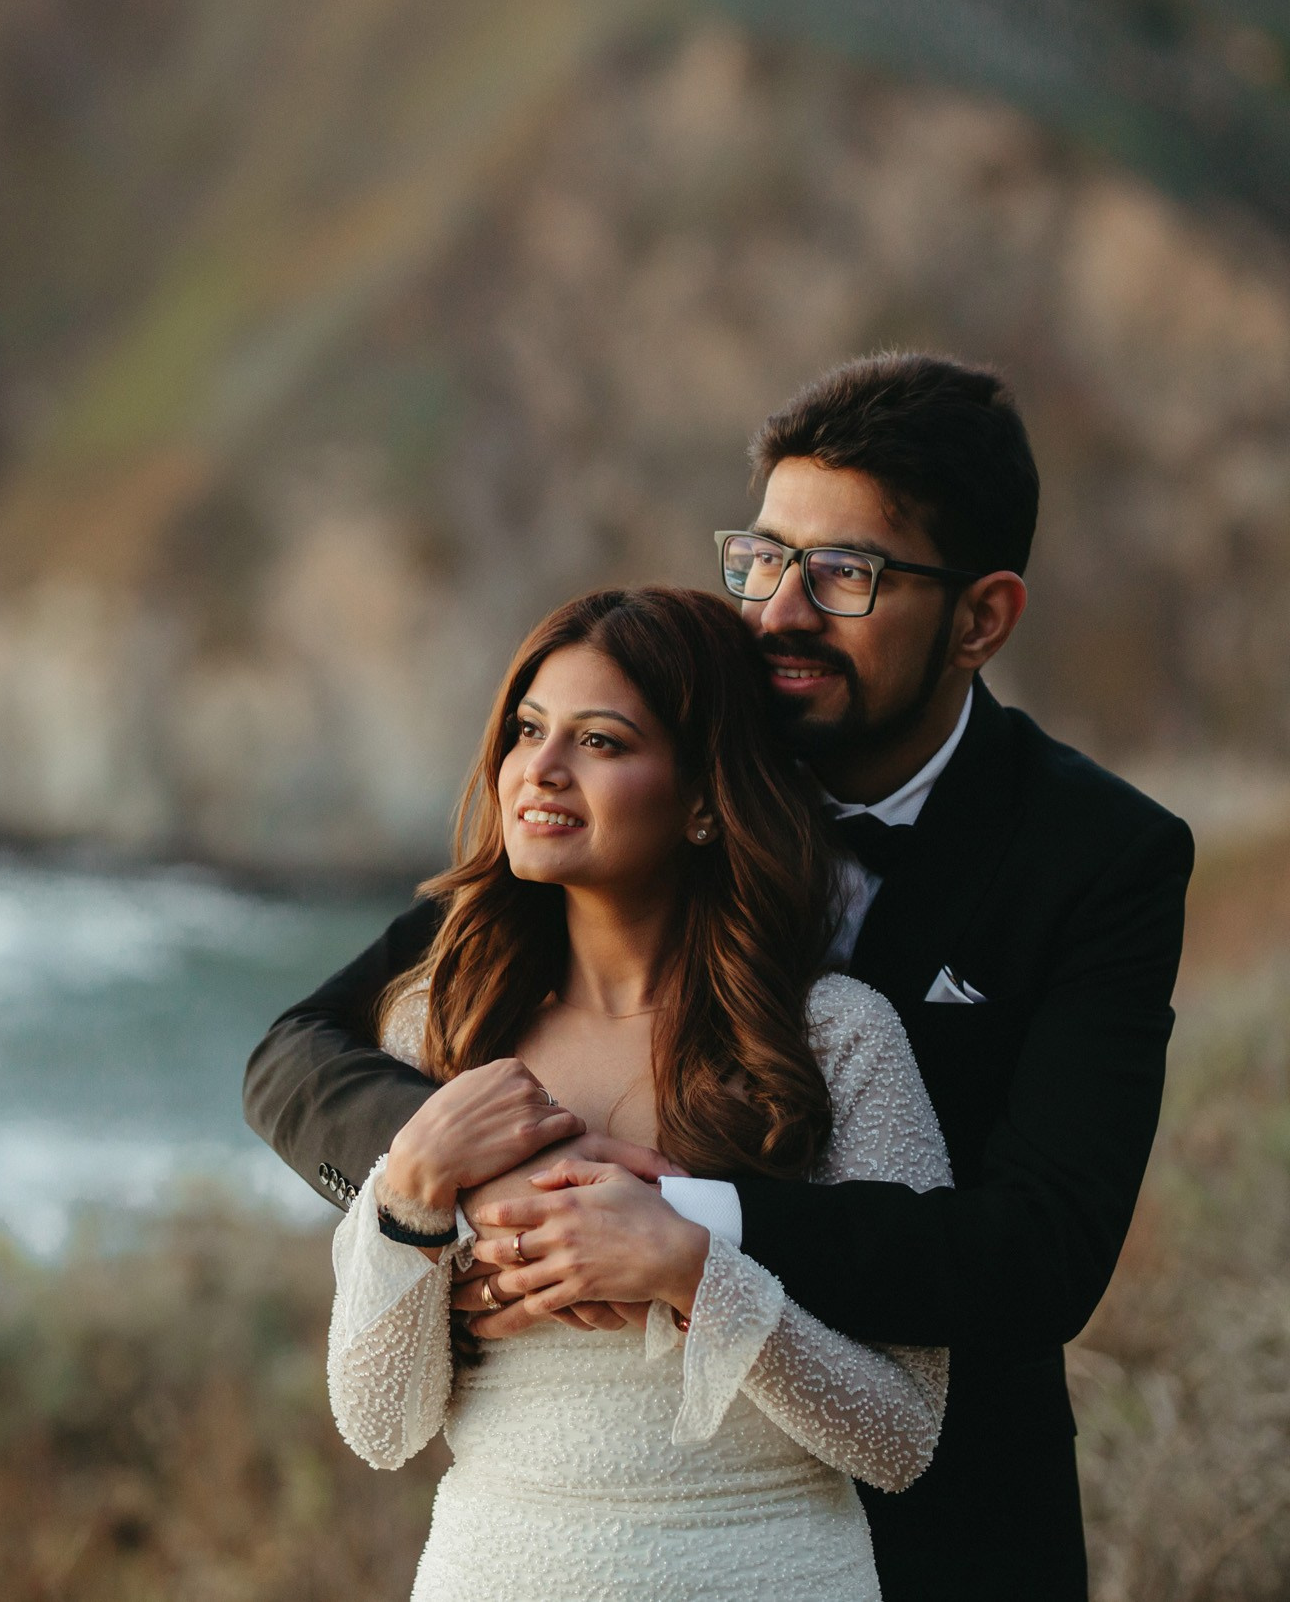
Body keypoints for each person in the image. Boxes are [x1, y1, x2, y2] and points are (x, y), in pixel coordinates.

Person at [249, 353, 1195, 1601]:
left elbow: (1041, 1252)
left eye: (845, 574)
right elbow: (298, 1055)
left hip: (945, 1533)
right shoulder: (642, 783)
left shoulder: (1096, 855)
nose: (780, 613)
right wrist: (487, 1181)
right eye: (761, 559)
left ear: (981, 617)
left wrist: (691, 1222)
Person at [328, 584, 951, 1601]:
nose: (541, 766)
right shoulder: (437, 1027)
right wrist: (412, 1189)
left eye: (602, 740)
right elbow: (378, 1423)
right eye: (527, 730)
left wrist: (690, 1268)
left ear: (705, 795)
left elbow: (900, 1435)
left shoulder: (835, 1037)